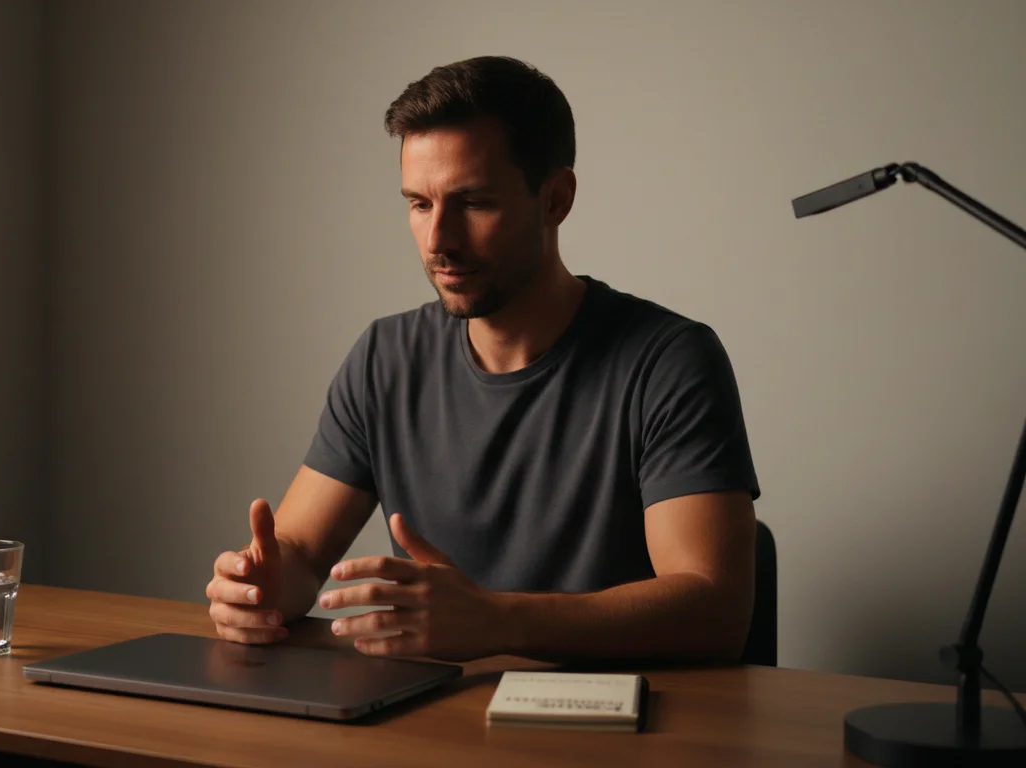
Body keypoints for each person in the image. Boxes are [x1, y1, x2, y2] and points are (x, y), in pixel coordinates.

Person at [204, 55, 760, 664]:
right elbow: (302, 552)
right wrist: (262, 587)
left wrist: (498, 620)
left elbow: (715, 610)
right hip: (439, 725)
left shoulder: (669, 362)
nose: (439, 239)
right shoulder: (384, 358)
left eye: (472, 203)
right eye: (419, 204)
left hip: (615, 734)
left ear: (556, 199)